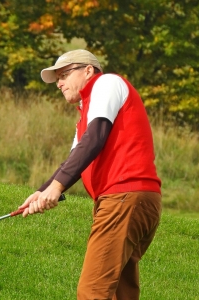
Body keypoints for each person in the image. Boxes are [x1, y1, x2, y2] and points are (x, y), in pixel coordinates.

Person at [19, 49, 162, 300]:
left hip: (123, 198)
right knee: (121, 292)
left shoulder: (106, 83)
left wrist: (57, 187)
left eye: (64, 74)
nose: (59, 83)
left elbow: (94, 141)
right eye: (57, 78)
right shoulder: (87, 111)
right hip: (132, 199)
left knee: (92, 291)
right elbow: (76, 159)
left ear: (88, 70)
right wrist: (42, 192)